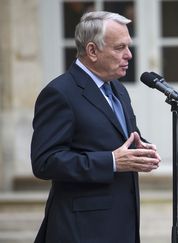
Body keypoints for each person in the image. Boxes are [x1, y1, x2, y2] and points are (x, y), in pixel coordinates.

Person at [30, 11, 161, 243]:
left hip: (123, 225)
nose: (129, 55)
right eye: (120, 48)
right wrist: (111, 161)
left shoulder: (118, 89)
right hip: (82, 229)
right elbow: (45, 161)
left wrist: (142, 151)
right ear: (92, 51)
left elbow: (122, 140)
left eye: (128, 47)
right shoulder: (60, 93)